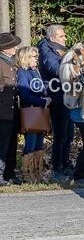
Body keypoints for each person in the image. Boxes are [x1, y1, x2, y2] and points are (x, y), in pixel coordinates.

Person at [38, 24, 73, 181]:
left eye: (64, 35)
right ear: (52, 38)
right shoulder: (46, 52)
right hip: (56, 96)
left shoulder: (59, 50)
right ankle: (57, 167)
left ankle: (65, 163)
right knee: (61, 135)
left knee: (69, 134)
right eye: (62, 36)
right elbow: (56, 70)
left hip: (66, 96)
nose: (65, 38)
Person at [16, 46, 50, 183]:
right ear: (26, 58)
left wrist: (47, 96)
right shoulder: (23, 73)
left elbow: (40, 89)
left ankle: (38, 172)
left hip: (40, 112)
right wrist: (42, 101)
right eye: (34, 56)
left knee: (39, 145)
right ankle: (26, 174)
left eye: (37, 56)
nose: (37, 59)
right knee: (30, 144)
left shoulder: (36, 72)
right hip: (31, 111)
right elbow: (24, 95)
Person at [0, 33, 22, 185]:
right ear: (5, 48)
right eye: (13, 45)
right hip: (2, 111)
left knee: (11, 144)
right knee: (2, 144)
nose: (16, 48)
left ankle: (9, 173)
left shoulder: (10, 62)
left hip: (13, 111)